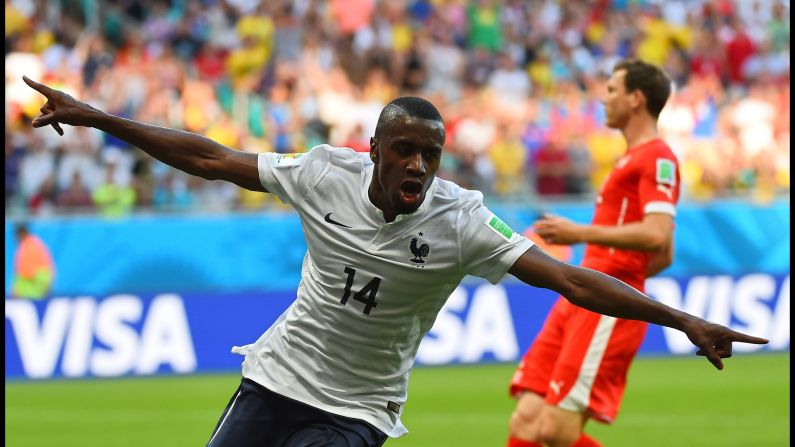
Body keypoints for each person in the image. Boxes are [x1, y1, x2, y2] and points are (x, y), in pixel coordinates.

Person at [23, 74, 767, 447]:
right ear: (373, 150)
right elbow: (212, 157)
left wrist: (678, 317)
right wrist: (94, 116)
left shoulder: (461, 220)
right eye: (404, 150)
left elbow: (571, 277)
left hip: (357, 410)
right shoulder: (322, 171)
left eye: (430, 155)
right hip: (274, 380)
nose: (418, 165)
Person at [507, 59, 685, 447]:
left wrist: (588, 242)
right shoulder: (631, 158)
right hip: (584, 290)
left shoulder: (657, 157)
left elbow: (657, 236)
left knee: (557, 430)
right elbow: (665, 252)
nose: (603, 99)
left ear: (636, 99)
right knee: (527, 418)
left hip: (605, 297)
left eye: (611, 90)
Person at [11, 222, 56, 299]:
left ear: (22, 233)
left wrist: (17, 290)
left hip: (33, 285)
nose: (15, 238)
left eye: (16, 235)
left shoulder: (27, 247)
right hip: (40, 283)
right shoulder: (36, 243)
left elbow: (26, 271)